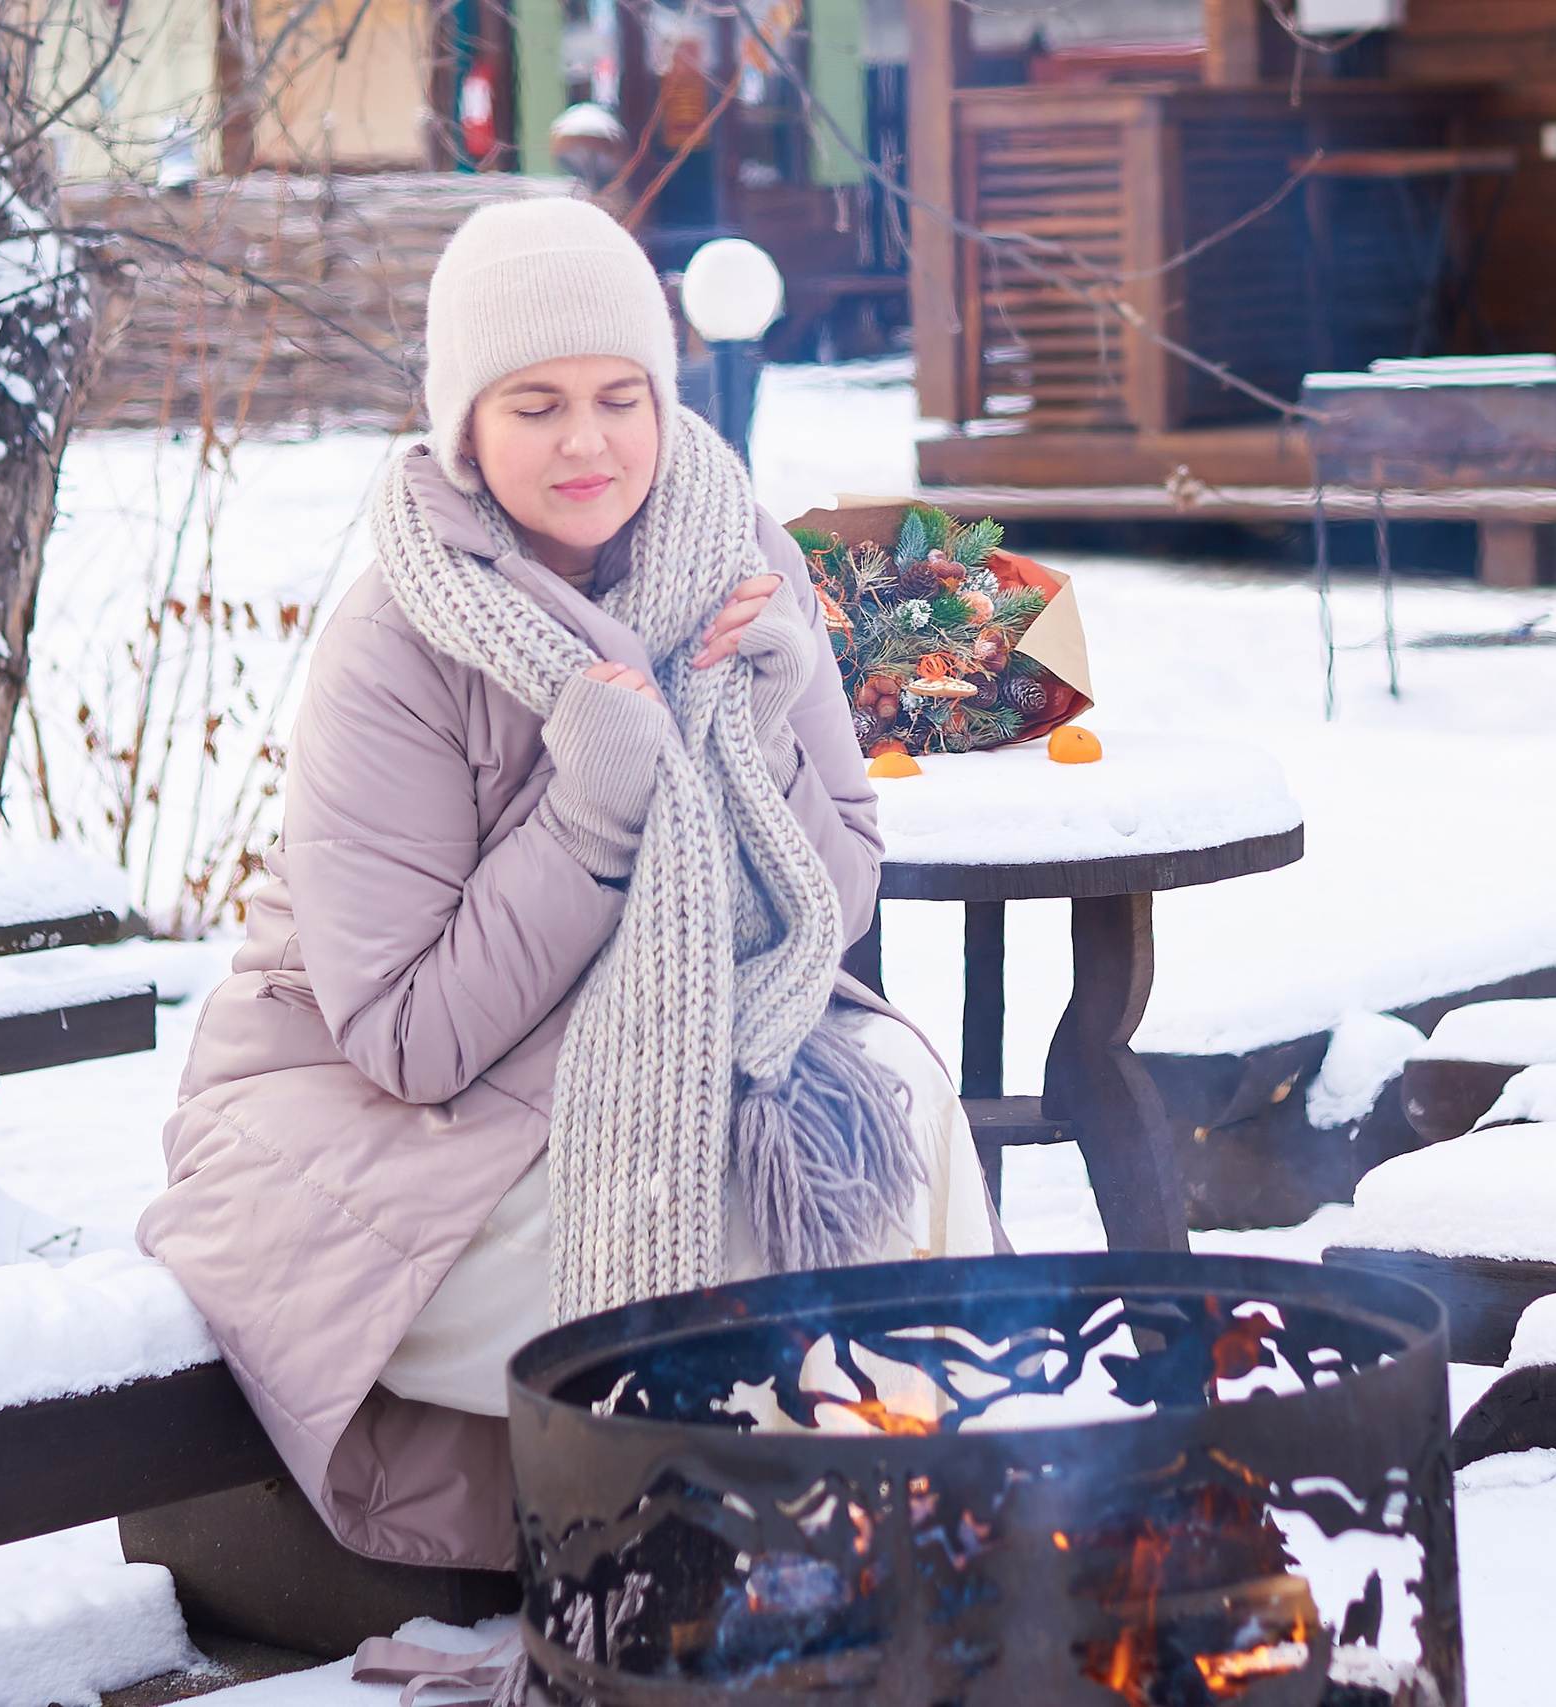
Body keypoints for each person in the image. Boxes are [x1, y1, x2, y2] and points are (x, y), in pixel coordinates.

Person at [140, 197, 1000, 1571]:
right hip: (381, 1123)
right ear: (464, 430)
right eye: (535, 406)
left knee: (898, 1102)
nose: (587, 443)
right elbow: (408, 1039)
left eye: (619, 398)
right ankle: (736, 1580)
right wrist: (593, 817)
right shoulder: (398, 640)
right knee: (734, 1206)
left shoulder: (743, 562)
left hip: (666, 1038)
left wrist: (766, 734)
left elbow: (832, 908)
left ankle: (936, 1539)